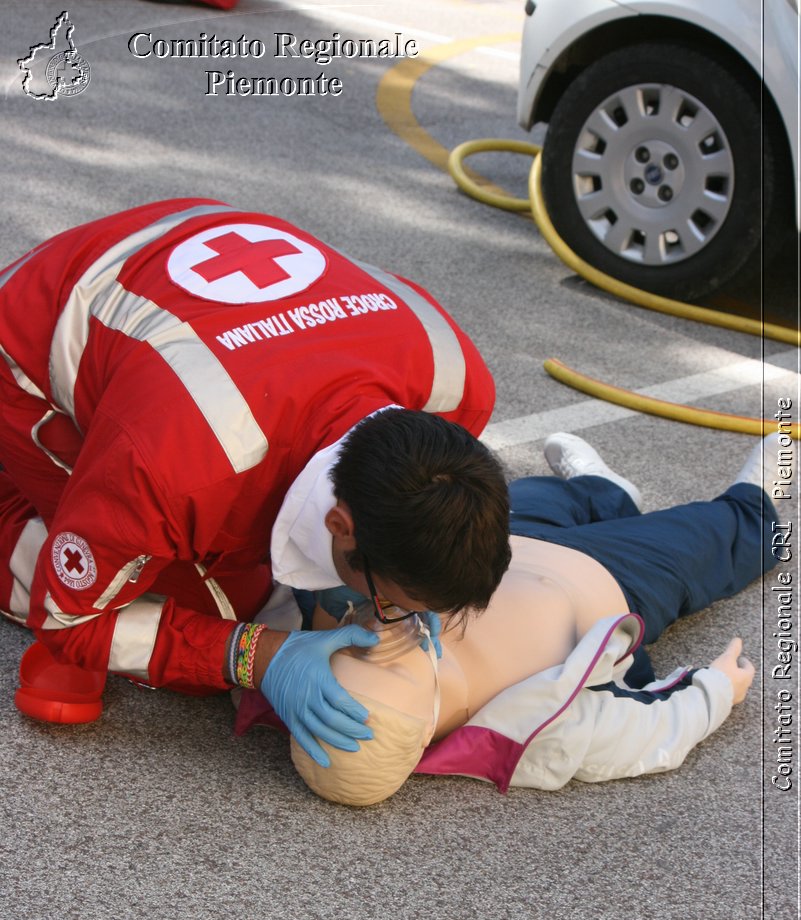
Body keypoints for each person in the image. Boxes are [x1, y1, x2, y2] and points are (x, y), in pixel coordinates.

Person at [0, 199, 509, 765]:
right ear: (342, 525)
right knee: (215, 621)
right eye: (388, 602)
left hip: (186, 242)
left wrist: (381, 587)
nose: (386, 617)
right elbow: (70, 621)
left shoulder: (456, 384)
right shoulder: (176, 468)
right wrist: (258, 655)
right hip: (27, 327)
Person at [237, 431, 786, 804]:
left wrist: (262, 653)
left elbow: (261, 620)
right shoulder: (525, 727)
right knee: (712, 541)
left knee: (526, 497)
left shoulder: (324, 650)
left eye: (353, 652)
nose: (378, 640)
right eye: (392, 670)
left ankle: (606, 490)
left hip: (480, 553)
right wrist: (714, 693)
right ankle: (754, 502)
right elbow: (637, 732)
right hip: (612, 577)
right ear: (425, 731)